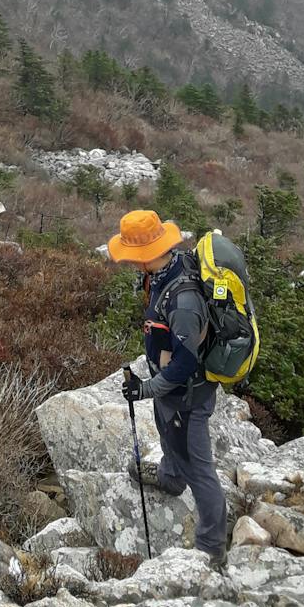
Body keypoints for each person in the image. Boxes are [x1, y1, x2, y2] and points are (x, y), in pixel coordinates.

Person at [107, 208, 228, 567]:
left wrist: (147, 389)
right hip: (173, 390)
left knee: (200, 470)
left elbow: (186, 362)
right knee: (166, 432)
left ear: (145, 254)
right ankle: (171, 477)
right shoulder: (165, 270)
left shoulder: (184, 298)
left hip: (189, 393)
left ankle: (211, 549)